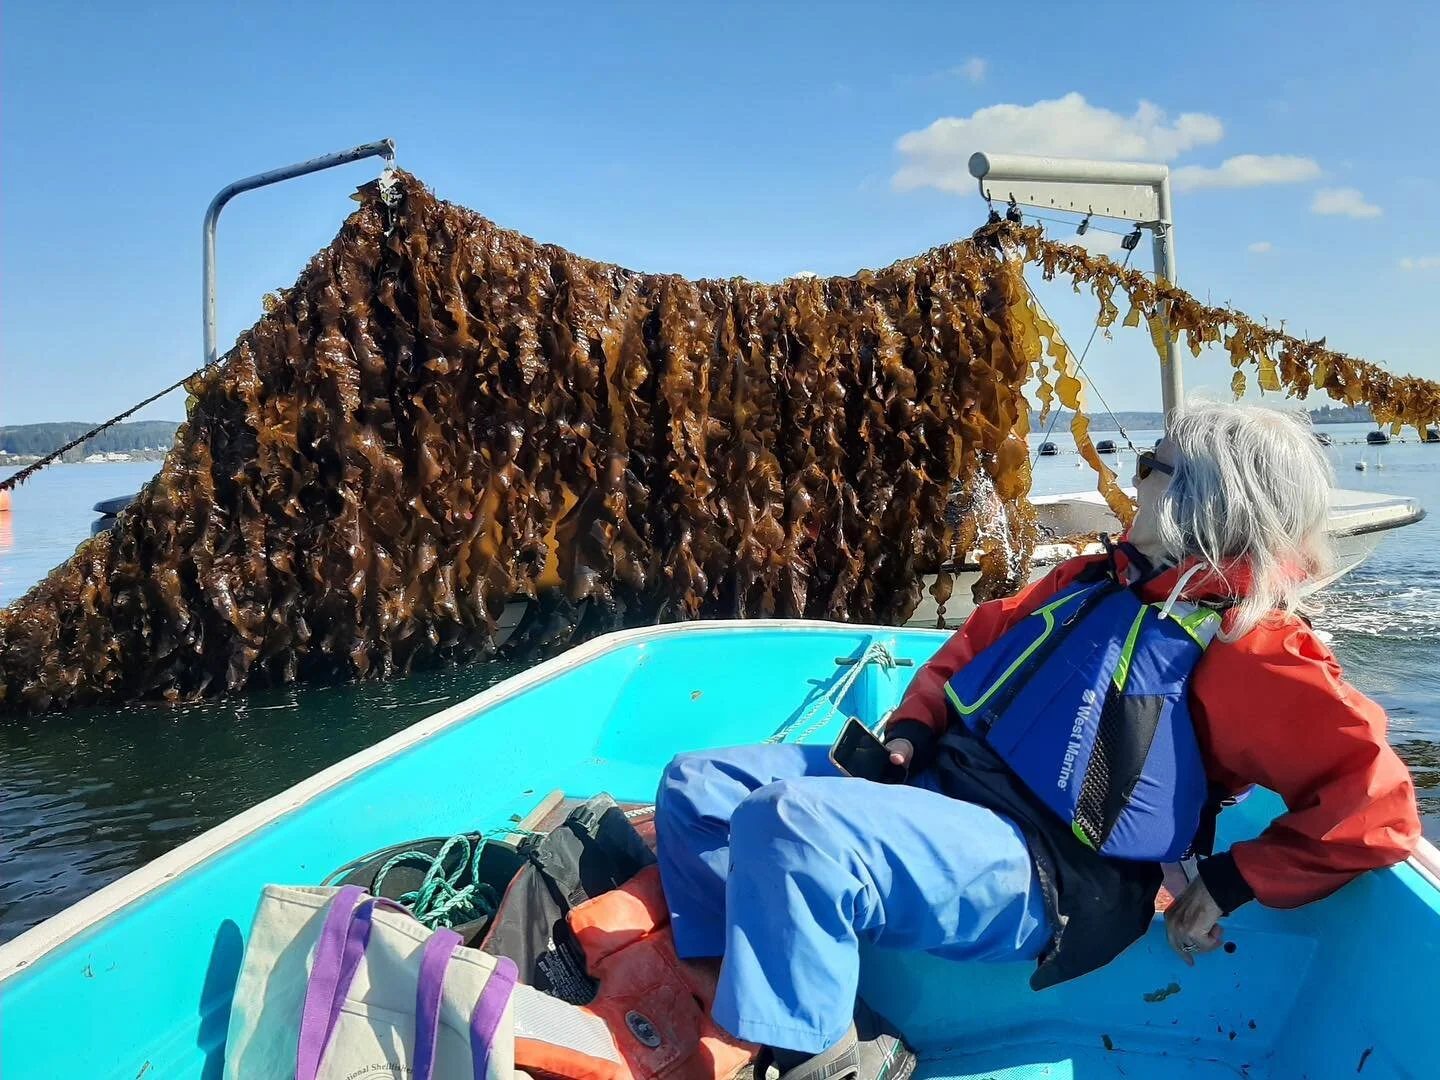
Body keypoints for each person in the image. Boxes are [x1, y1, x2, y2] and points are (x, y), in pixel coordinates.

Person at [653, 402, 1421, 1080]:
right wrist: (915, 728)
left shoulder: (1250, 648)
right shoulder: (1093, 581)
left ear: (1204, 501)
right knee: (699, 785)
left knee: (790, 825)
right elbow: (972, 648)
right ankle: (745, 1012)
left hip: (1053, 871)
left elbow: (1379, 808)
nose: (1135, 473)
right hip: (951, 787)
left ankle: (821, 1065)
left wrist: (1231, 881)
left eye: (1154, 465)